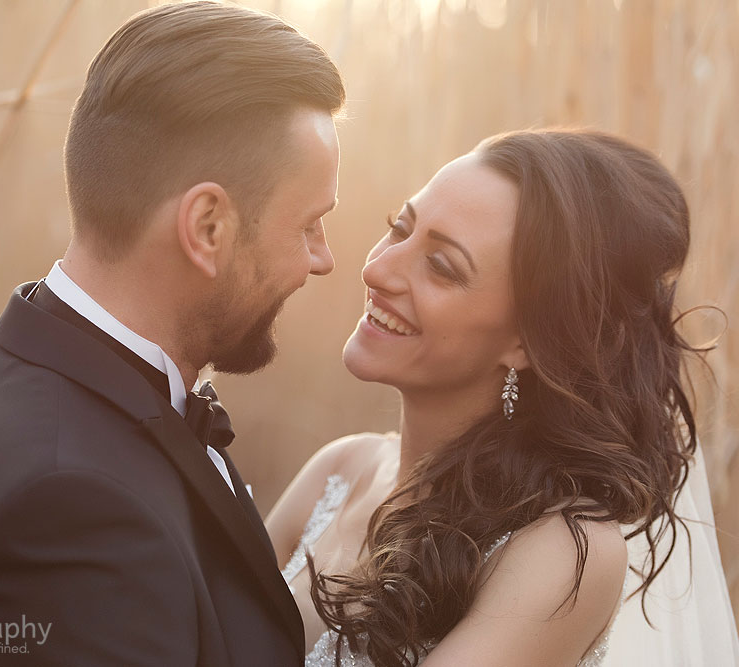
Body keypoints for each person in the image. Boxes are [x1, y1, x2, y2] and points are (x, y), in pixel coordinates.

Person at [0, 2, 343, 664]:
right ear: (208, 227)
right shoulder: (73, 507)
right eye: (308, 224)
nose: (322, 257)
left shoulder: (40, 372)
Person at [266, 129, 739, 666]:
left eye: (442, 266)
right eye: (400, 228)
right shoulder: (337, 471)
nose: (377, 268)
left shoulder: (564, 548)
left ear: (526, 341)